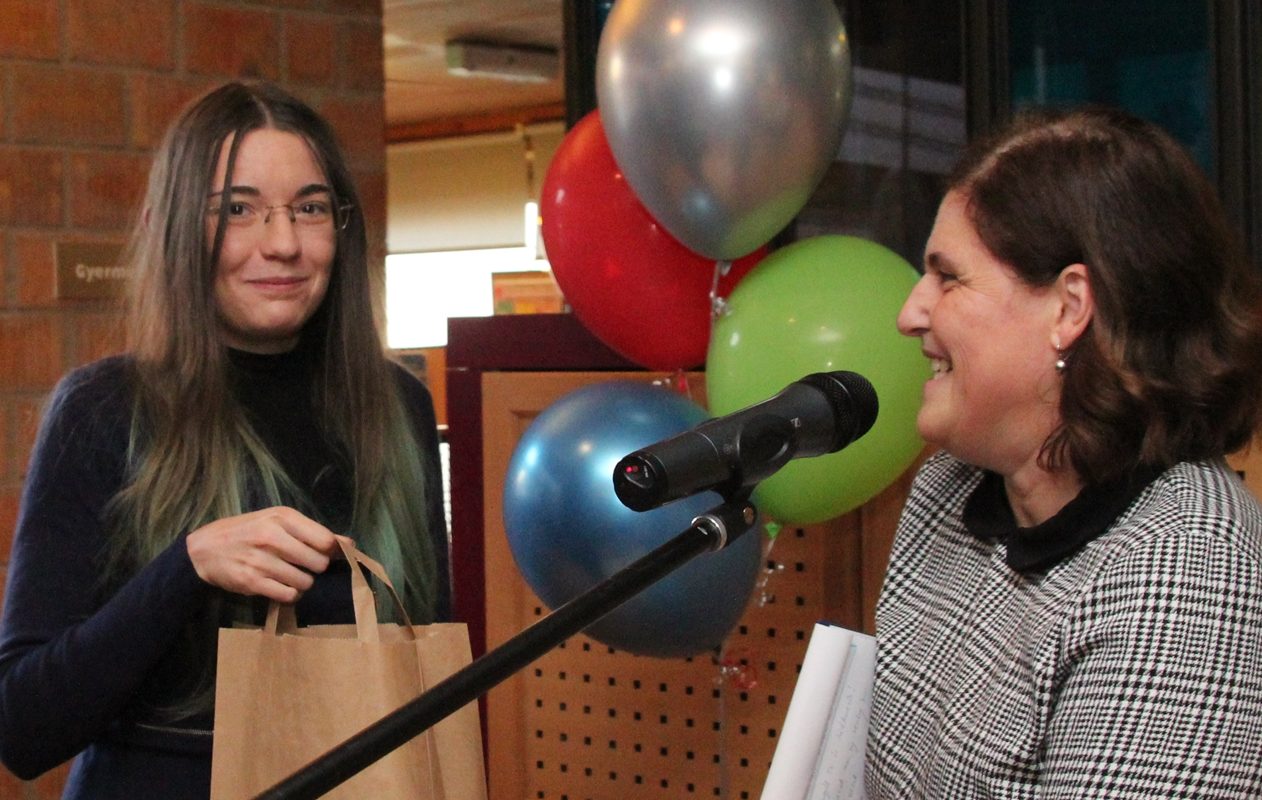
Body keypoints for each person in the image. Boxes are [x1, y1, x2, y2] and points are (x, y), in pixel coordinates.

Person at [0, 82, 450, 798]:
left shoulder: (399, 407)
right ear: (175, 228)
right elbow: (24, 727)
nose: (283, 243)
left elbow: (430, 663)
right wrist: (187, 567)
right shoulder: (102, 410)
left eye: (310, 208)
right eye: (238, 210)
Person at [867, 106, 1262, 798]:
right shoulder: (944, 494)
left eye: (948, 277)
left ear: (1069, 308)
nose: (909, 313)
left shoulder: (1184, 569)